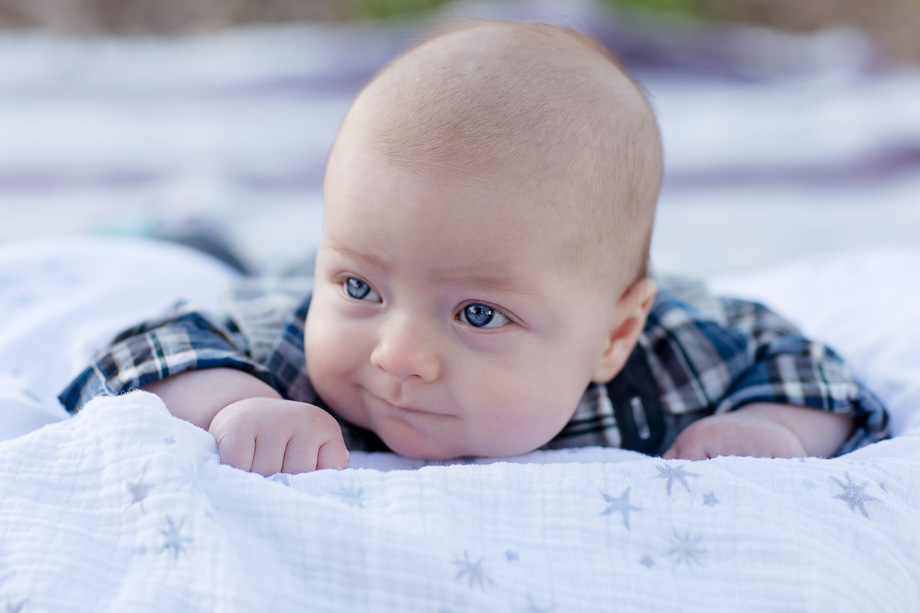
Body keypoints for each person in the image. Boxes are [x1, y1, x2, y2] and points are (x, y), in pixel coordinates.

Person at [59, 20, 888, 475]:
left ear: (612, 335)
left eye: (479, 313)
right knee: (205, 260)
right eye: (359, 287)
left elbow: (812, 371)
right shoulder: (293, 347)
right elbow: (137, 349)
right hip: (263, 280)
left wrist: (769, 427)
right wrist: (234, 402)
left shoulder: (673, 358)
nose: (397, 355)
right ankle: (189, 231)